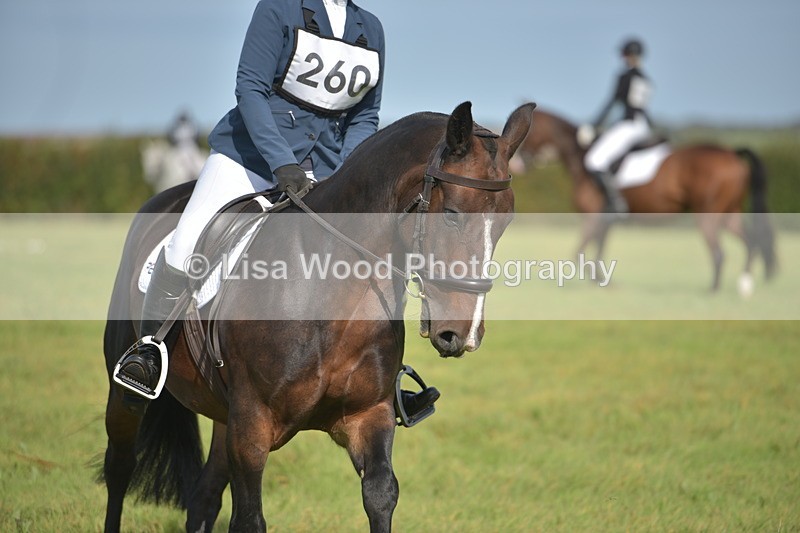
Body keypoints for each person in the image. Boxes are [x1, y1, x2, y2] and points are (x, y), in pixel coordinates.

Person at [114, 0, 440, 417]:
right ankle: (149, 353)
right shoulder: (279, 8)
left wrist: (345, 174)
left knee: (375, 257)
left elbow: (365, 115)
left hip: (326, 169)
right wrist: (281, 161)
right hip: (248, 159)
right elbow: (250, 88)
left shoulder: (370, 28)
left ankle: (382, 381)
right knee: (186, 242)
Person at [579, 38, 653, 215]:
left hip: (629, 125)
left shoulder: (625, 77)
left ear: (626, 55)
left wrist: (594, 125)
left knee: (594, 160)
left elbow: (612, 103)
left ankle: (615, 202)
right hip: (644, 126)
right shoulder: (646, 79)